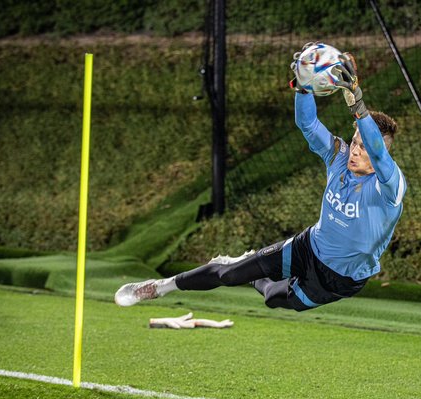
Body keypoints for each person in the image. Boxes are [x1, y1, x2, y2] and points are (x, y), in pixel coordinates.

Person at [114, 44, 406, 312]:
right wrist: (303, 88)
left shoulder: (390, 186)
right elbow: (306, 123)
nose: (355, 150)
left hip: (340, 279)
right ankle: (158, 287)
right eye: (355, 141)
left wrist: (357, 103)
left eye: (363, 146)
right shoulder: (339, 157)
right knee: (229, 274)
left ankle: (257, 274)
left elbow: (378, 154)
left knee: (274, 298)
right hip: (309, 246)